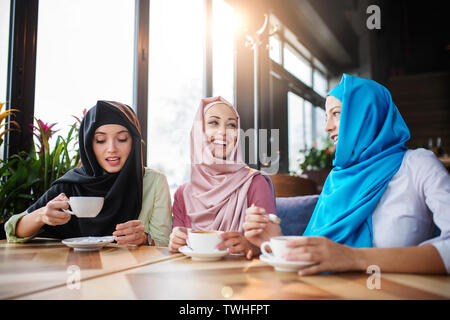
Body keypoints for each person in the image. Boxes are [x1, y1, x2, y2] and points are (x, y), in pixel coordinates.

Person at [244, 74, 450, 275]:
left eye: (336, 113)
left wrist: (354, 258)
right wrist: (272, 241)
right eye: (326, 117)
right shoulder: (337, 179)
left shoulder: (418, 165)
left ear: (366, 113)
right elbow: (318, 259)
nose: (327, 127)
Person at [5, 100, 172, 246]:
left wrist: (144, 239)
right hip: (73, 272)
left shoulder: (153, 182)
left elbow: (163, 243)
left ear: (134, 142)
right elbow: (12, 231)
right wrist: (41, 215)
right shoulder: (71, 183)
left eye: (122, 139)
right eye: (100, 140)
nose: (112, 149)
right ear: (88, 144)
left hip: (131, 276)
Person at [168, 96, 277, 259]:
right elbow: (180, 250)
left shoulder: (255, 183)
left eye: (232, 125)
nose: (223, 132)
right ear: (199, 132)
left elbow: (271, 244)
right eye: (213, 123)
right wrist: (176, 240)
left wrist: (252, 246)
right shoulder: (182, 193)